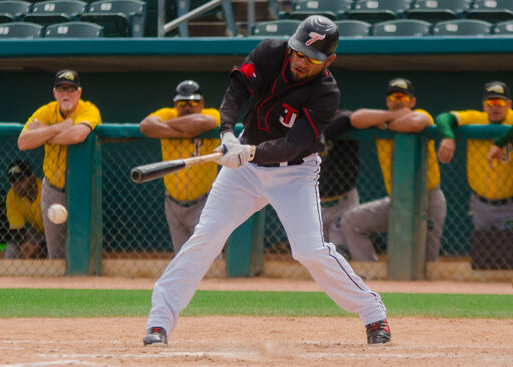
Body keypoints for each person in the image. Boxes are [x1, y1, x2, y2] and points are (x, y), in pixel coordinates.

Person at [143, 15, 390, 347]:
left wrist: (250, 152)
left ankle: (373, 313)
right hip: (242, 167)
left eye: (312, 59)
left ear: (329, 60)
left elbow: (295, 143)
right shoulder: (268, 53)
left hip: (294, 172)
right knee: (205, 239)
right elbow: (235, 92)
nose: (301, 62)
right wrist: (228, 133)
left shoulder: (325, 93)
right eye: (298, 53)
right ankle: (159, 322)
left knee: (310, 250)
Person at [341, 78, 446, 262]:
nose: (398, 101)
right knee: (352, 221)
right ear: (387, 101)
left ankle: (427, 288)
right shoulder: (381, 117)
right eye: (393, 97)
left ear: (412, 102)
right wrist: (391, 117)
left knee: (427, 261)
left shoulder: (420, 113)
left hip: (427, 198)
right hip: (396, 200)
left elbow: (415, 123)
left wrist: (386, 125)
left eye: (403, 97)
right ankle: (369, 273)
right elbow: (356, 118)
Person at [17, 70, 102, 259]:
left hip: (82, 191)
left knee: (85, 253)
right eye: (61, 89)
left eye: (71, 89)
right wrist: (58, 128)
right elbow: (23, 142)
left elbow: (77, 135)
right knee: (56, 253)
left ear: (79, 92)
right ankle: (59, 288)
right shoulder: (47, 111)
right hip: (53, 189)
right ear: (55, 93)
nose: (66, 94)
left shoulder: (88, 110)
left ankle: (86, 287)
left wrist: (45, 134)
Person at [139, 80, 220, 254]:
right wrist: (182, 132)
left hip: (203, 203)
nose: (187, 107)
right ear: (176, 104)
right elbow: (146, 126)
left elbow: (201, 123)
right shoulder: (168, 113)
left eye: (192, 102)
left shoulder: (211, 112)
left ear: (202, 103)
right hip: (172, 204)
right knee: (182, 256)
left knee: (209, 257)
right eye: (182, 103)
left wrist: (167, 128)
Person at [436, 81, 513, 230]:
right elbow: (443, 118)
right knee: (483, 252)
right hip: (480, 205)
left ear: (509, 104)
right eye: (490, 103)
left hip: (509, 205)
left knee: (508, 252)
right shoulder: (476, 118)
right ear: (484, 105)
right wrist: (447, 137)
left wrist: (500, 143)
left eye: (499, 102)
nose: (495, 107)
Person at [319, 109, 359, 259]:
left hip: (343, 204)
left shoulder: (342, 117)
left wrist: (318, 136)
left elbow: (348, 118)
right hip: (315, 206)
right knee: (309, 255)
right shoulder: (304, 121)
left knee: (340, 255)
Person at [4, 160, 46, 259]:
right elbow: (17, 230)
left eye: (21, 180)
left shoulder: (45, 190)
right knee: (11, 248)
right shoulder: (12, 195)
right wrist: (23, 245)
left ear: (32, 178)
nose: (17, 186)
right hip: (38, 233)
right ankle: (8, 275)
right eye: (13, 181)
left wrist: (39, 248)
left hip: (58, 233)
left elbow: (59, 232)